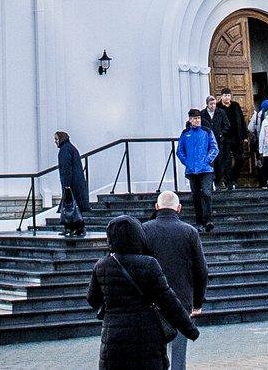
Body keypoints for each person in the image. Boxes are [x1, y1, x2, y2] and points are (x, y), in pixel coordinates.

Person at [87, 214, 199, 370]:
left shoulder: (102, 265)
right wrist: (190, 330)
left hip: (113, 338)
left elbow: (92, 299)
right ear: (138, 236)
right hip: (147, 338)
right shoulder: (149, 264)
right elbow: (168, 300)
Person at [142, 192, 208, 370]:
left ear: (157, 207)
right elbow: (201, 270)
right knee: (179, 357)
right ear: (179, 209)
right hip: (182, 300)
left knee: (155, 353)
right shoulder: (190, 232)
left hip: (151, 302)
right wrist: (197, 303)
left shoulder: (144, 229)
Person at [174, 110, 218, 231]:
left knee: (207, 193)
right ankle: (199, 221)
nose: (197, 120)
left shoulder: (207, 131)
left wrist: (208, 160)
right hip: (192, 169)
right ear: (190, 119)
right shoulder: (185, 133)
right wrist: (187, 162)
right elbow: (180, 150)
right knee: (196, 196)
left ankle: (208, 219)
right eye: (195, 118)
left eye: (198, 118)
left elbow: (214, 147)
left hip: (206, 169)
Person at [57, 130, 89, 239]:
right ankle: (72, 228)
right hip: (76, 182)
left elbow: (66, 168)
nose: (55, 142)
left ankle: (75, 227)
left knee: (70, 206)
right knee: (72, 206)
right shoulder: (71, 148)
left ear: (61, 138)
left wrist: (66, 185)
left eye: (56, 139)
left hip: (71, 183)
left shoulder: (64, 150)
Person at [220, 94, 248, 190]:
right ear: (221, 97)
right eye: (225, 95)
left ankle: (234, 178)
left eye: (228, 95)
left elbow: (242, 120)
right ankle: (229, 181)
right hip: (225, 138)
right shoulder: (219, 107)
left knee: (240, 158)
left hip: (237, 137)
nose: (227, 97)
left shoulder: (236, 106)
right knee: (227, 160)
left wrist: (244, 135)